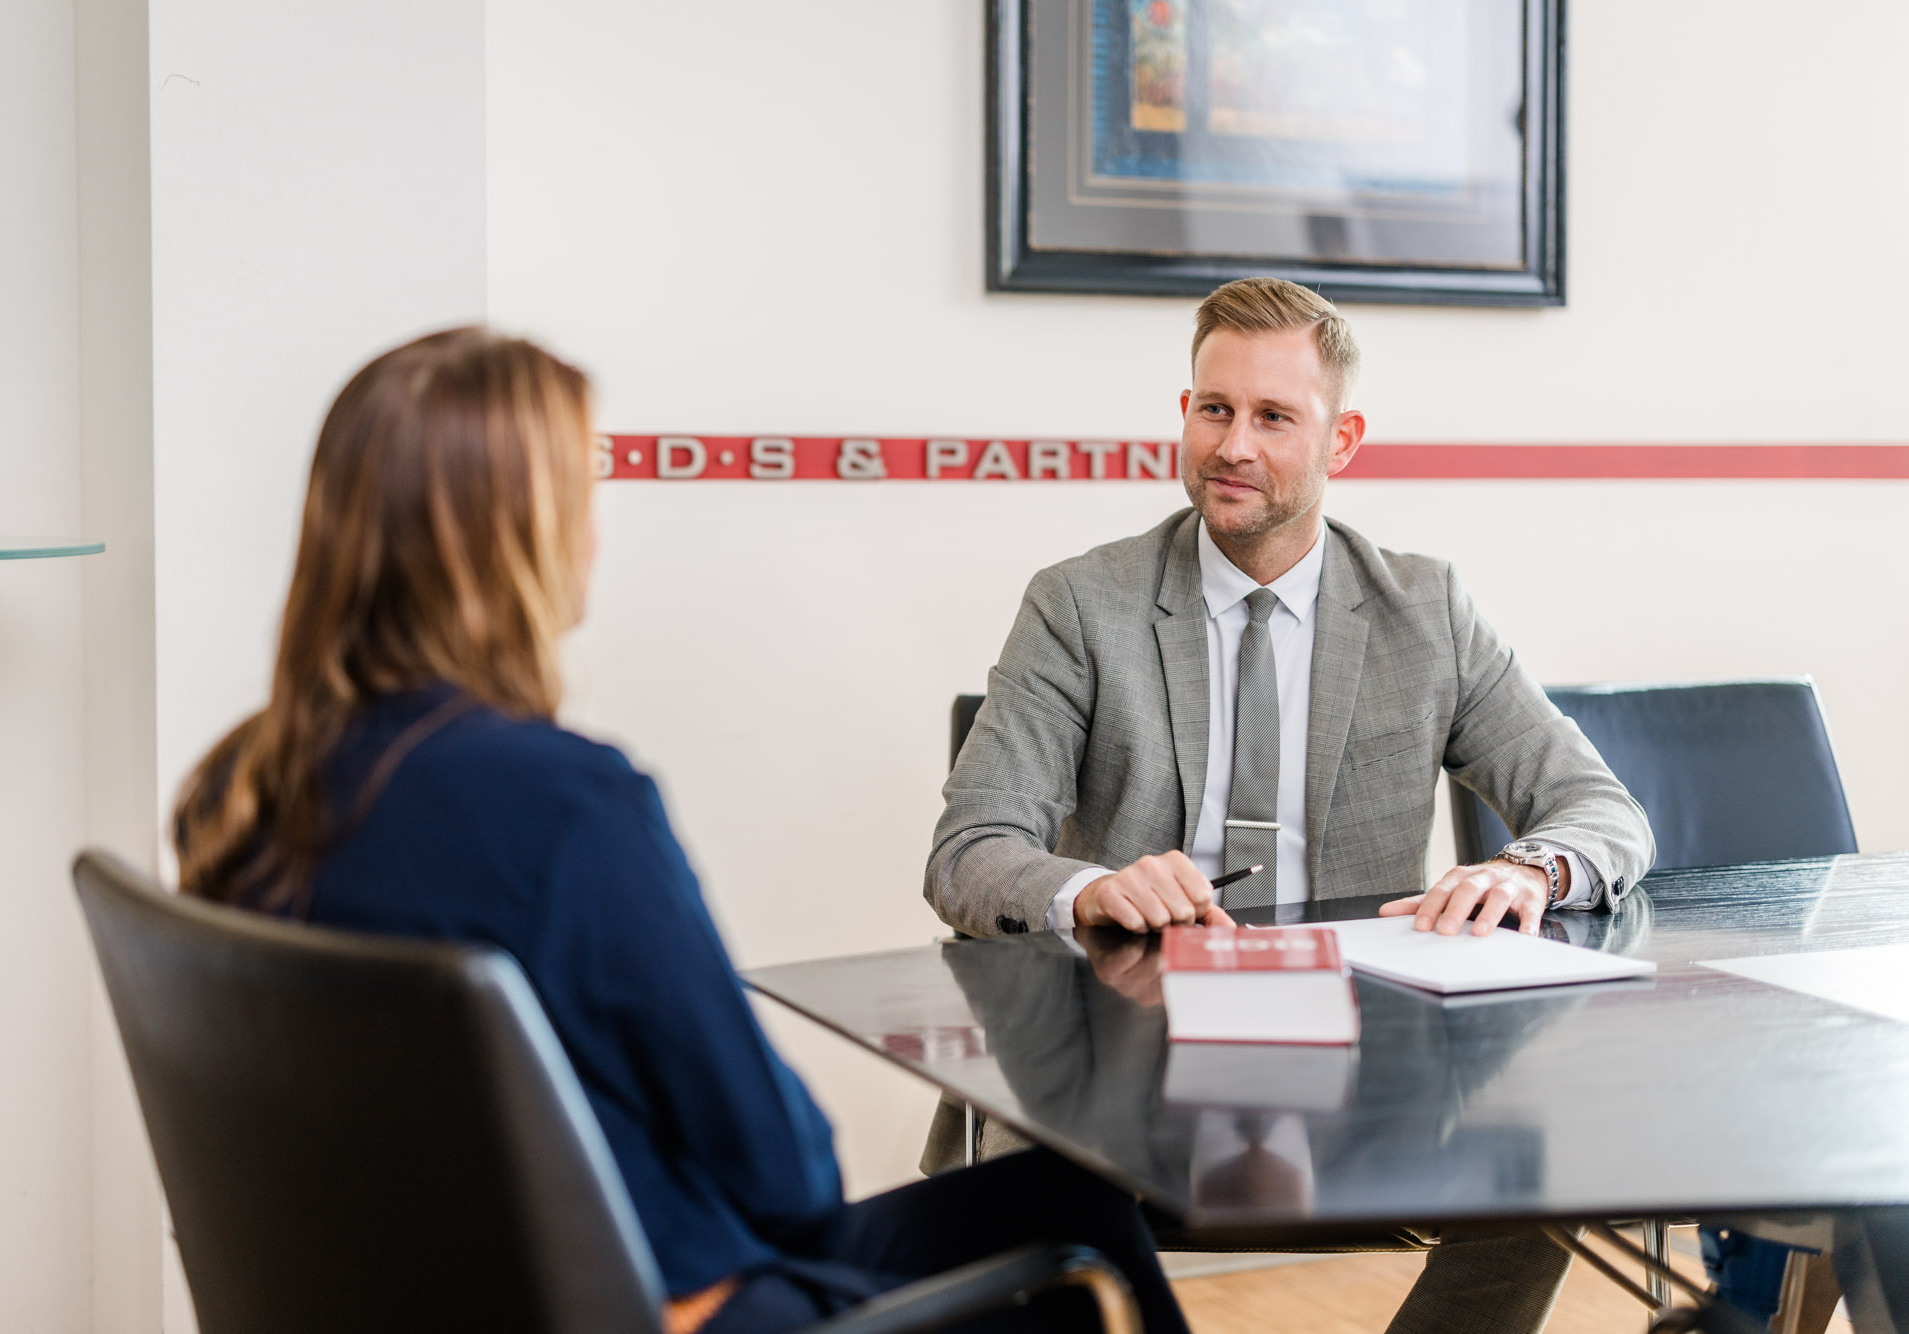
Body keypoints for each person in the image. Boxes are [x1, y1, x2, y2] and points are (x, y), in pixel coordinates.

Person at [171, 330, 1192, 1334]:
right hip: (655, 1295)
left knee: (1072, 1197)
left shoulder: (244, 788)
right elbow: (785, 1174)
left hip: (450, 1290)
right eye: (580, 495)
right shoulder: (562, 803)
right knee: (1082, 1231)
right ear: (513, 535)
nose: (592, 533)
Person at [925, 277, 1656, 1334]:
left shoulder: (1425, 608)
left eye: (1272, 416)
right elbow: (969, 851)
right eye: (1212, 408)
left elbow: (1597, 807)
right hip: (1123, 1054)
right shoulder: (1080, 604)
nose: (1231, 444)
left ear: (1340, 439)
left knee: (1537, 1160)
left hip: (1365, 1057)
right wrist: (1091, 885)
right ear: (1183, 414)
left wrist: (1526, 867)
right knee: (1021, 1180)